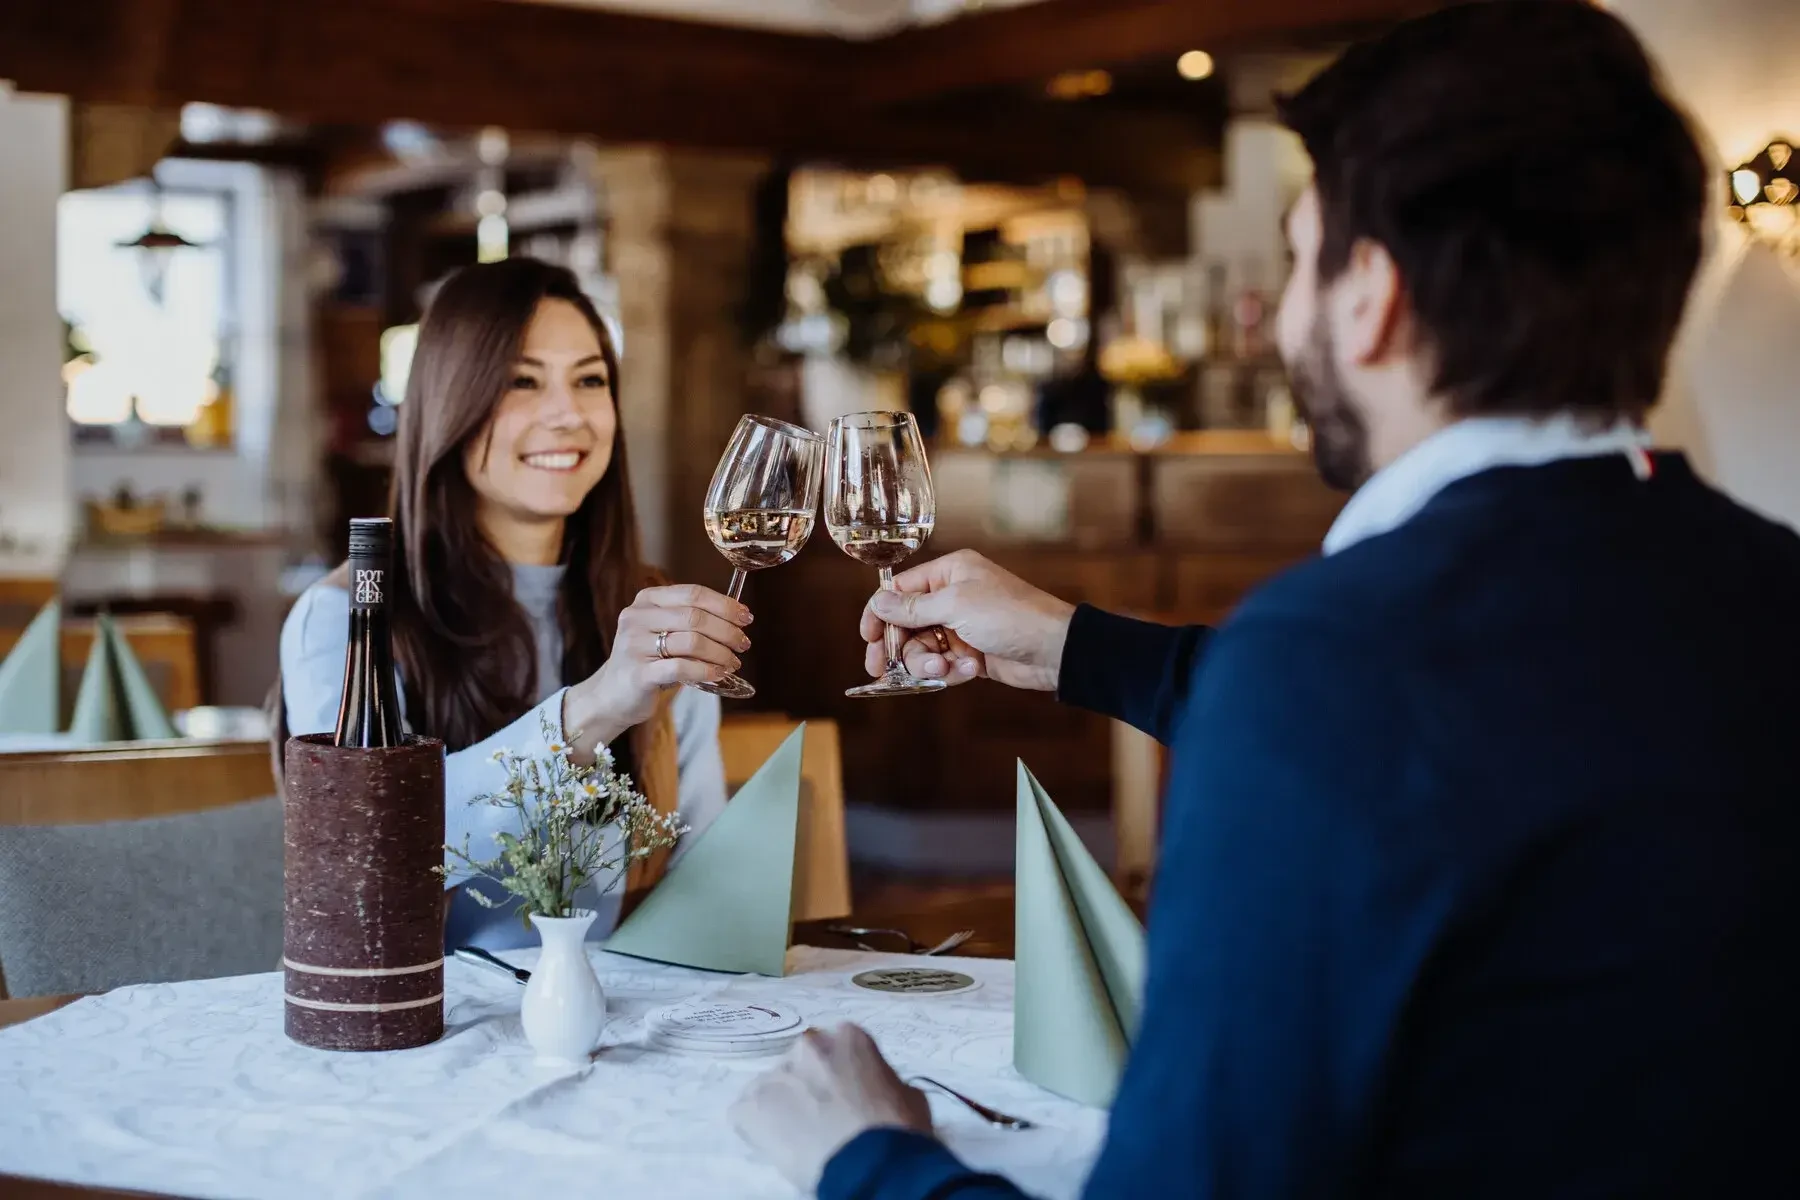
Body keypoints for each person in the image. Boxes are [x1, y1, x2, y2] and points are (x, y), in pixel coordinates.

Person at [730, 4, 1800, 1197]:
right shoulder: (1771, 586)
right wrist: (1074, 648)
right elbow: (1510, 727)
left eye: (1300, 259)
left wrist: (868, 1156)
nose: (1280, 314)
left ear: (1371, 299)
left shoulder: (1331, 666)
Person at [279, 259, 752, 950]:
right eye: (521, 382)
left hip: (618, 1018)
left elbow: (698, 870)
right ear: (450, 403)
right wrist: (589, 713)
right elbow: (368, 853)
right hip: (432, 1028)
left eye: (590, 380)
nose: (568, 415)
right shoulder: (352, 615)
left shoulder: (648, 610)